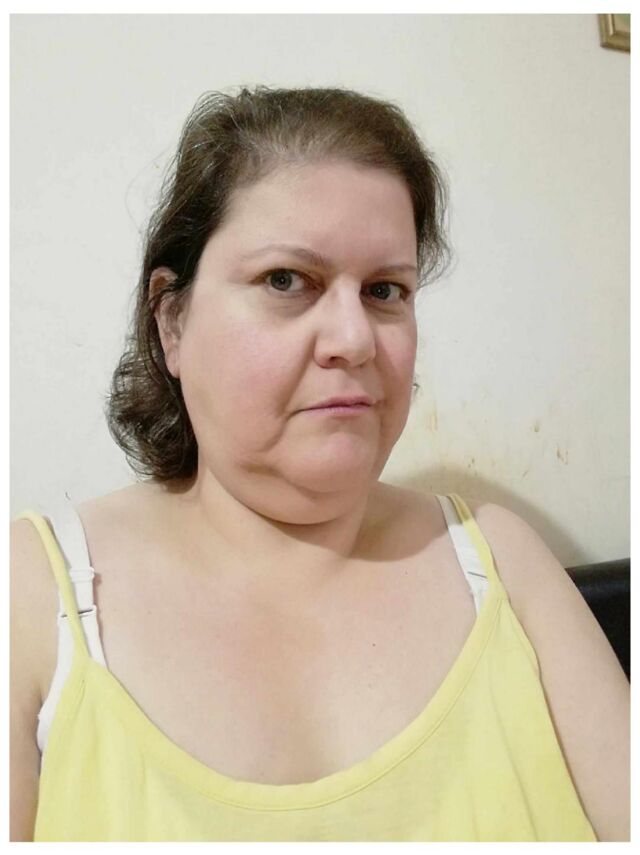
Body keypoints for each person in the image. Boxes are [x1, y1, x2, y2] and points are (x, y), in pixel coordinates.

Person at [10, 86, 629, 842]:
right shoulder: (35, 592)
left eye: (384, 290)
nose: (354, 338)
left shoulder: (502, 560)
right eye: (285, 280)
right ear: (172, 320)